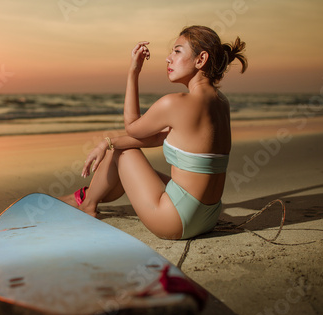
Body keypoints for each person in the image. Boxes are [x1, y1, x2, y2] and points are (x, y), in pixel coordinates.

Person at [60, 25, 248, 240]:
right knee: (117, 148)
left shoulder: (174, 103)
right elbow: (161, 136)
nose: (168, 59)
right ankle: (87, 196)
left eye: (177, 51)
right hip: (208, 216)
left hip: (176, 221)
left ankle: (87, 205)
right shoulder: (221, 102)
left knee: (122, 152)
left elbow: (132, 126)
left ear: (201, 59)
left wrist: (133, 71)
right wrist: (107, 142)